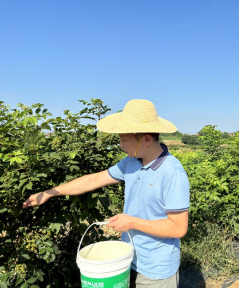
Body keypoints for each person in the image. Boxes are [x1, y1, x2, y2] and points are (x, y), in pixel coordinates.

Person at [23, 99, 190, 287]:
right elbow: (94, 179)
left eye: (124, 139)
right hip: (129, 256)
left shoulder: (172, 174)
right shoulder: (131, 162)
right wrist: (50, 193)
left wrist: (132, 222)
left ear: (146, 139)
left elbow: (178, 227)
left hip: (155, 268)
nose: (120, 144)